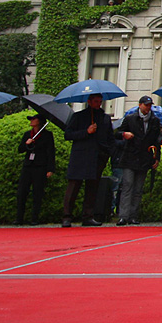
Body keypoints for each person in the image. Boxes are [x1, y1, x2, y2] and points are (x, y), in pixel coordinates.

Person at [62, 94, 113, 227]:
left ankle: (88, 215)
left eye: (100, 102)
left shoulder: (105, 118)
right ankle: (67, 216)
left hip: (97, 156)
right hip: (80, 156)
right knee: (73, 186)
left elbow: (109, 138)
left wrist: (106, 153)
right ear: (89, 102)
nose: (98, 104)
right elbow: (68, 134)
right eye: (96, 101)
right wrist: (86, 132)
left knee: (92, 188)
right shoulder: (78, 116)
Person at [114, 96, 161, 226]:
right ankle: (123, 216)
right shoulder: (130, 119)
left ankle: (133, 215)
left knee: (138, 188)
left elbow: (156, 140)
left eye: (150, 105)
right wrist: (124, 135)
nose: (148, 108)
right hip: (130, 156)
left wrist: (156, 157)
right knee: (128, 185)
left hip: (144, 158)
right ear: (140, 105)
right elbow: (117, 133)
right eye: (146, 105)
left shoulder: (154, 121)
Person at [13, 113, 56, 226]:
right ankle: (19, 217)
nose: (32, 121)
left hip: (40, 166)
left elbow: (50, 152)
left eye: (34, 119)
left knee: (37, 192)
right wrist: (27, 144)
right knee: (22, 191)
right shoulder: (28, 134)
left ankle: (34, 218)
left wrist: (50, 168)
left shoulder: (47, 135)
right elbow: (20, 149)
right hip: (28, 166)